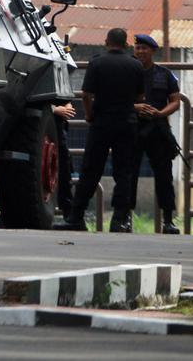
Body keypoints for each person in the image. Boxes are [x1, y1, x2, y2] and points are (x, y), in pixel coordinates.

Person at [59, 28, 145, 233]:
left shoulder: (97, 63)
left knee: (91, 169)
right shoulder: (136, 65)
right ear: (126, 45)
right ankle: (119, 220)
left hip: (101, 123)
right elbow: (140, 98)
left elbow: (86, 94)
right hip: (126, 123)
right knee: (124, 172)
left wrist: (89, 115)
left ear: (106, 42)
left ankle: (76, 217)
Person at [132, 34, 182, 235]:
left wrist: (161, 113)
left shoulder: (165, 74)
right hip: (133, 128)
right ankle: (124, 217)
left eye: (144, 48)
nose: (140, 51)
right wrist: (135, 108)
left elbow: (175, 101)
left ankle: (168, 220)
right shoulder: (128, 72)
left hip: (158, 129)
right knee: (129, 173)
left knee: (164, 175)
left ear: (153, 51)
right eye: (137, 48)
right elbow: (117, 98)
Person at [50, 101, 76, 226]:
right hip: (38, 127)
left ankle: (70, 215)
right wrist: (54, 109)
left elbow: (67, 98)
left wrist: (67, 107)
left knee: (64, 175)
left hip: (58, 132)